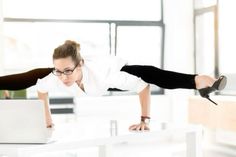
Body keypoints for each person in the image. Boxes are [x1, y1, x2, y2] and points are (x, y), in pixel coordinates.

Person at [0, 40, 227, 131]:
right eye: (59, 71)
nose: (63, 77)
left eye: (68, 71)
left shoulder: (105, 74)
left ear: (80, 65)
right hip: (93, 83)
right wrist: (46, 118)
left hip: (109, 75)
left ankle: (200, 80)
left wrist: (144, 121)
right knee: (37, 74)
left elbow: (142, 87)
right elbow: (41, 88)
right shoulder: (57, 76)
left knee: (146, 73)